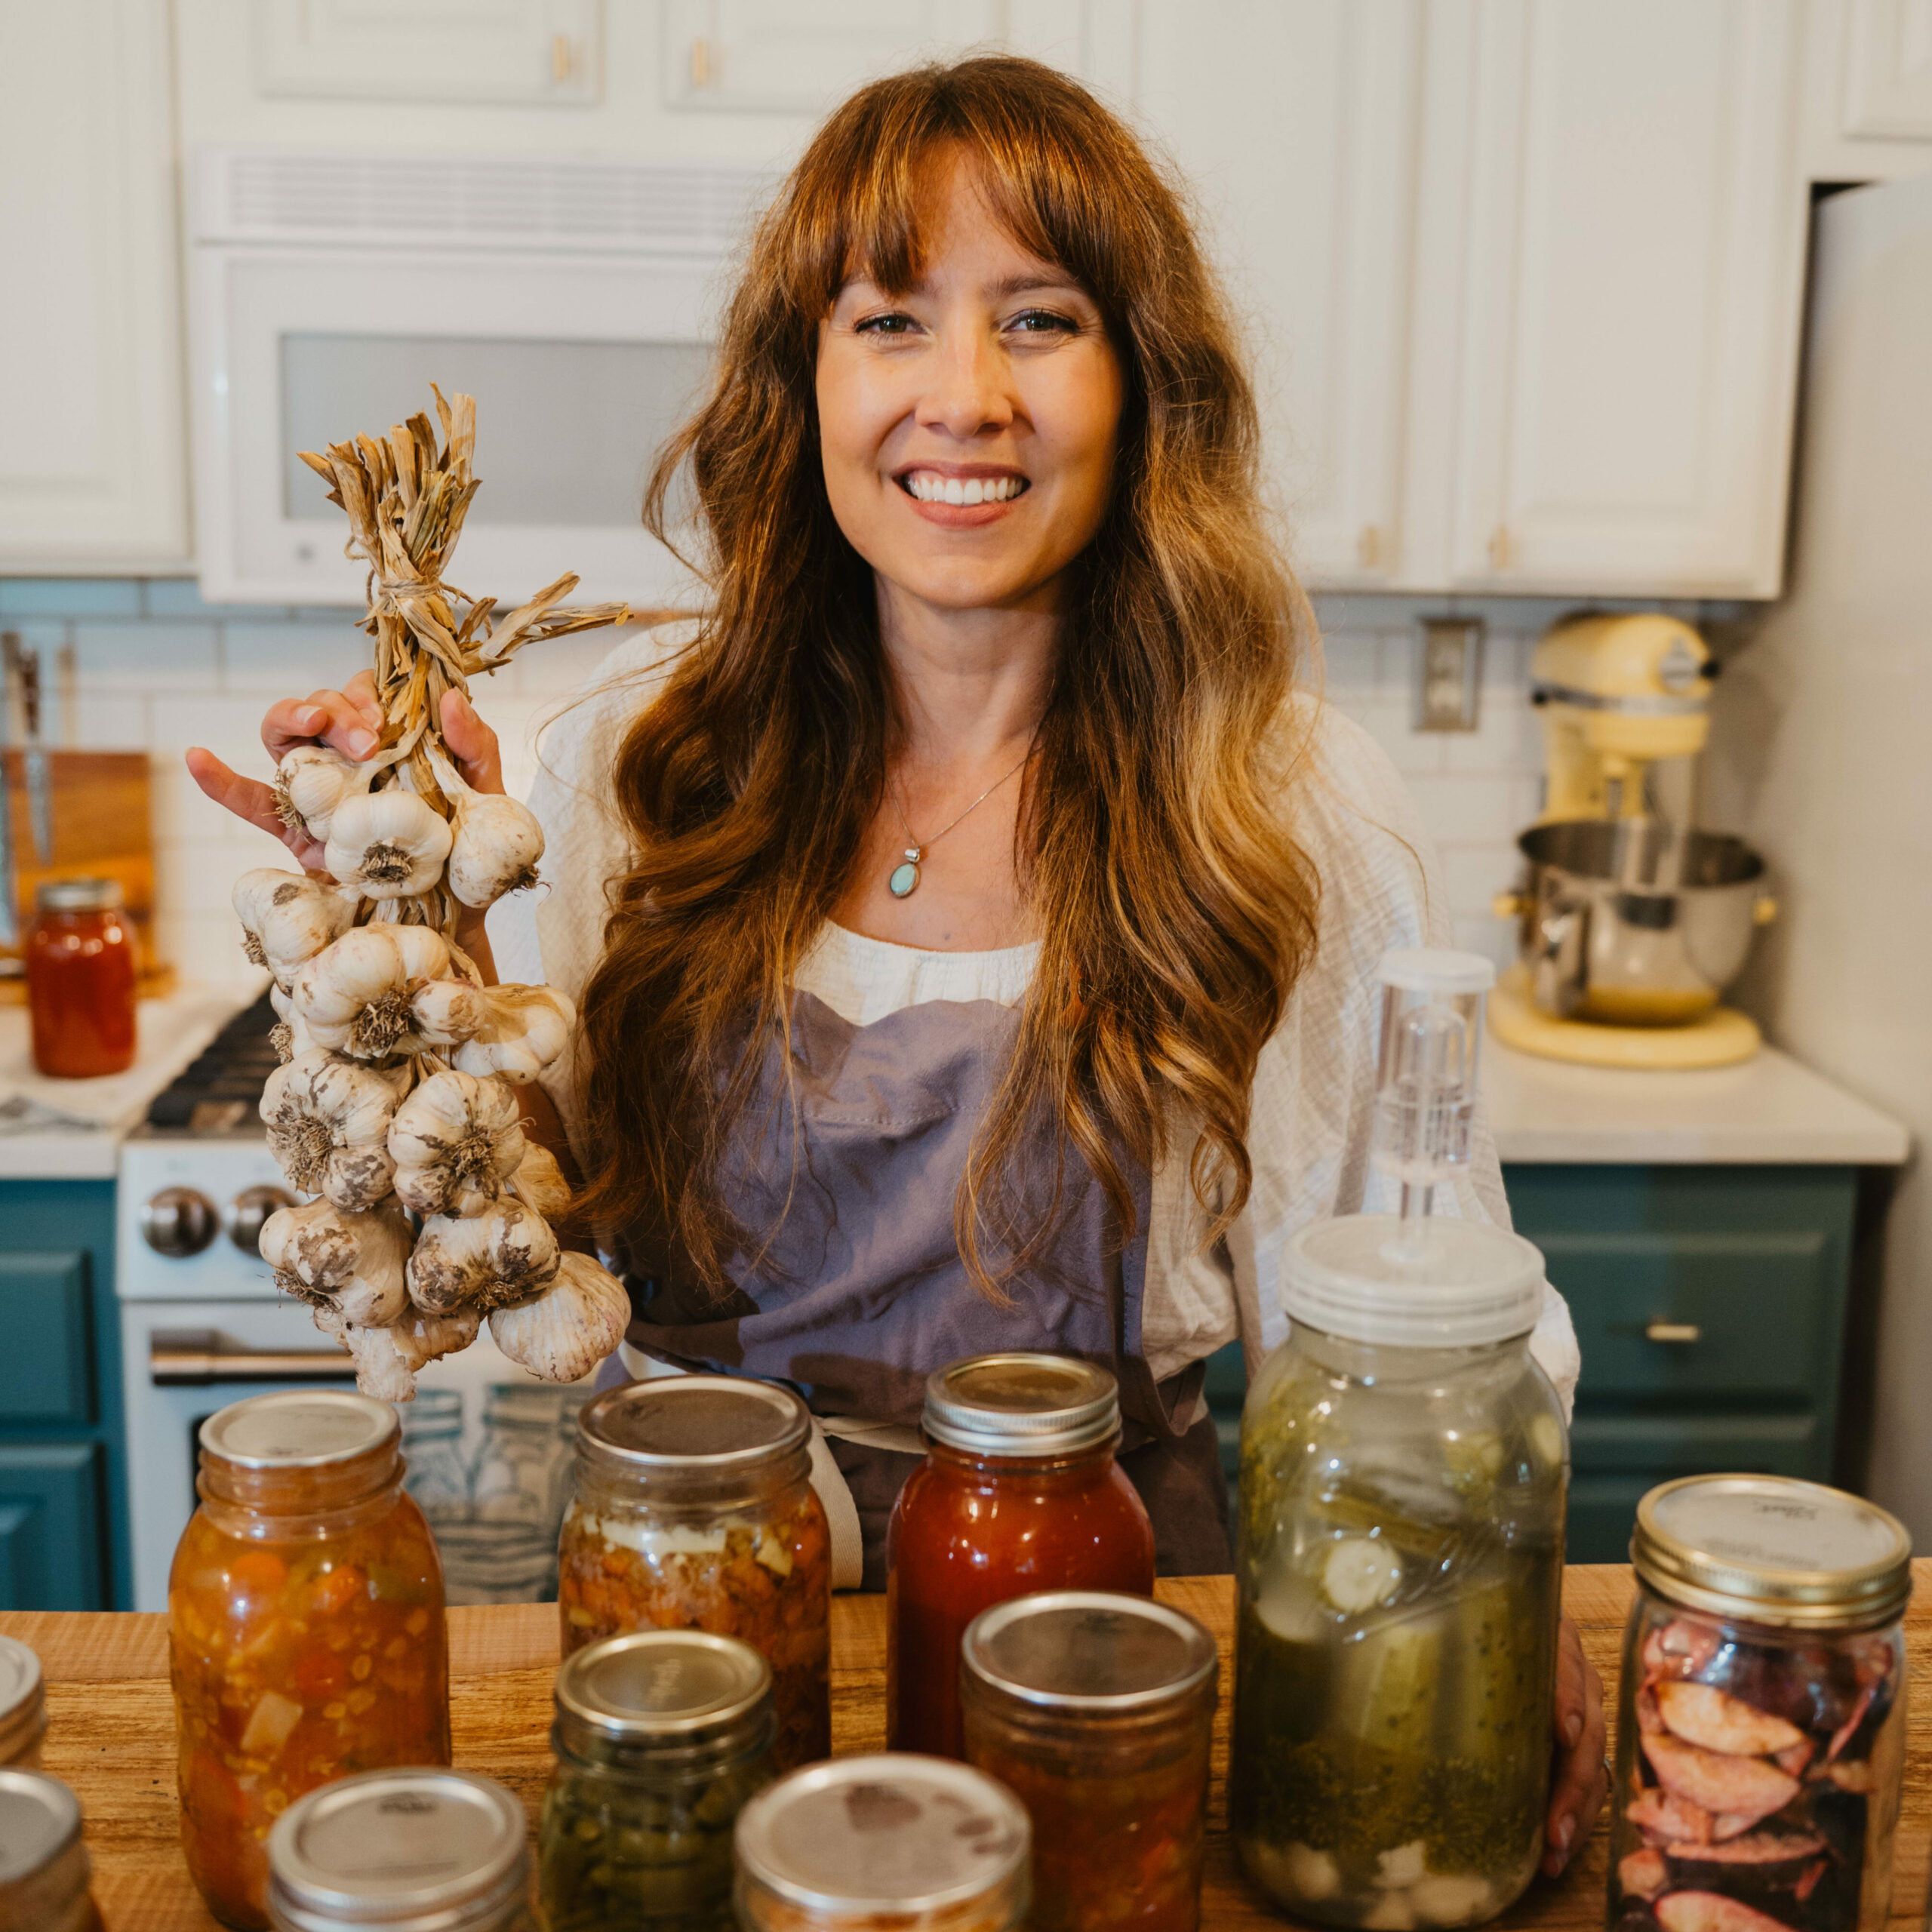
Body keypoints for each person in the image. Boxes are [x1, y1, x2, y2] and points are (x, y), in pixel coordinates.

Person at [190, 55, 1606, 1870]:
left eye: (1040, 318)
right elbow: (562, 1221)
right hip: (694, 1598)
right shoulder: (628, 767)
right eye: (890, 319)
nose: (965, 396)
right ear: (808, 382)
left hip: (1098, 1616)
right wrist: (431, 943)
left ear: (1138, 383)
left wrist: (1497, 1577)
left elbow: (1404, 1286)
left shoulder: (1282, 807)